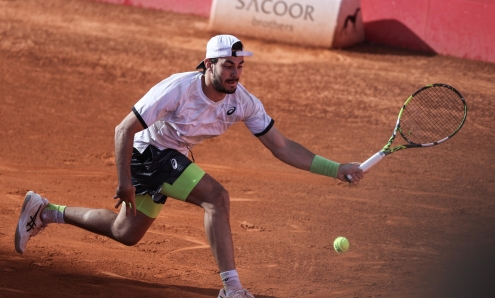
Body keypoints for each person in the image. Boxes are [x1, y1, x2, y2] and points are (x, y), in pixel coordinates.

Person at [15, 34, 364, 298]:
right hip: (146, 153)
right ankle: (232, 288)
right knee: (217, 197)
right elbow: (124, 129)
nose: (236, 73)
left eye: (240, 66)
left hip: (172, 156)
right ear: (208, 64)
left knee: (127, 234)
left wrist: (336, 168)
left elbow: (282, 146)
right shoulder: (179, 88)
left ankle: (46, 211)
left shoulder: (242, 102)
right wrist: (125, 182)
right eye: (228, 65)